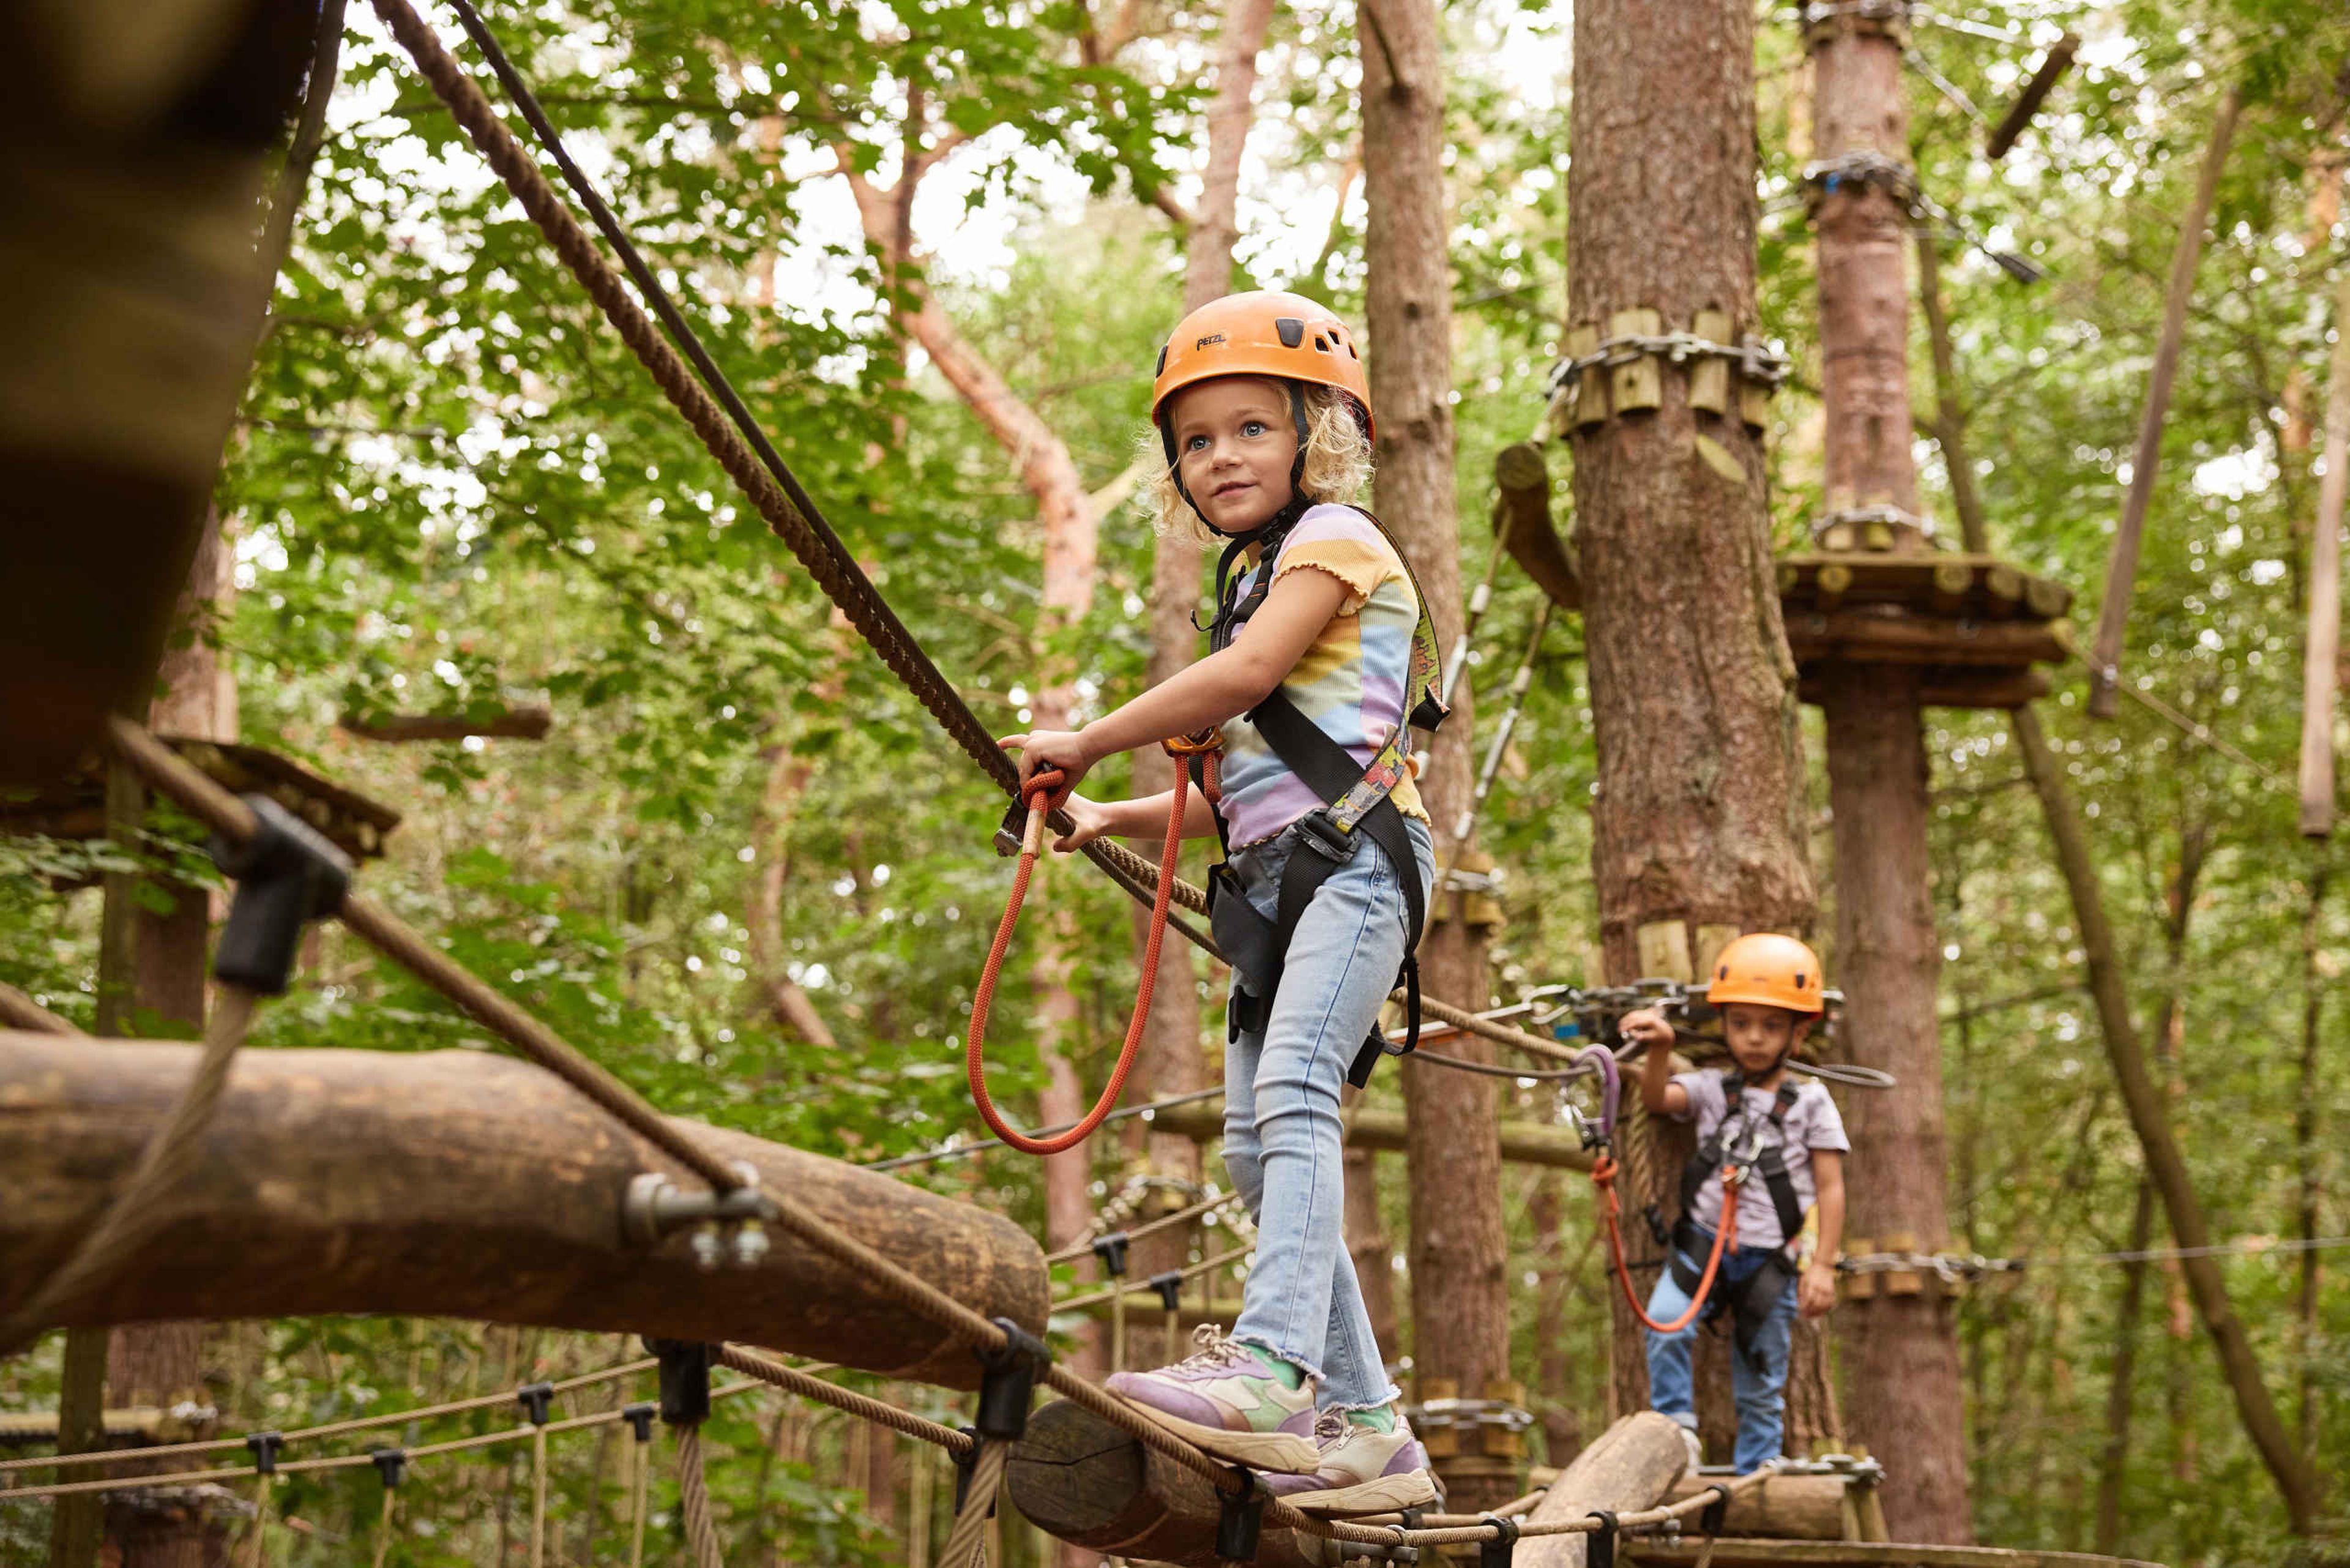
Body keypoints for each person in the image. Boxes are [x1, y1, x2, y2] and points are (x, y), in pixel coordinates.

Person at [999, 291, 1440, 1515]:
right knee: (1254, 1146)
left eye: (1251, 428)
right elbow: (1236, 791)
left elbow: (1240, 684)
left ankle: (1272, 1375)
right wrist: (1113, 817)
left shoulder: (1338, 542)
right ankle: (1373, 1432)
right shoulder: (1254, 584)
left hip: (1356, 865)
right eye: (1196, 442)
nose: (1221, 456)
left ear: (1317, 437)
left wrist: (1084, 740)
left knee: (1297, 1093)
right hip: (1279, 875)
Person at [1619, 934, 1848, 1476]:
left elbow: (1831, 1187)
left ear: (1799, 1031)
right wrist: (1659, 1049)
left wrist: (1823, 1266)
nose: (1754, 1038)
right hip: (1704, 1241)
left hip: (1767, 1258)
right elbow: (1656, 1100)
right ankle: (1676, 1435)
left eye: (1771, 1026)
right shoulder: (1710, 1089)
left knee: (1762, 1369)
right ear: (1724, 1024)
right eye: (1741, 1023)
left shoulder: (1811, 1101)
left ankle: (1757, 1470)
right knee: (1666, 1323)